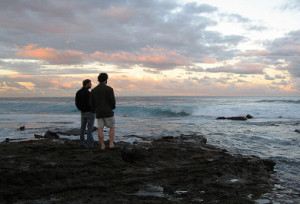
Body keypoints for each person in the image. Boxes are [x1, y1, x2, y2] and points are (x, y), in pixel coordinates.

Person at [90, 73, 116, 150]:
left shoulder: (93, 90)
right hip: (108, 111)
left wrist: (95, 109)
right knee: (112, 127)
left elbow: (91, 103)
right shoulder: (109, 89)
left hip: (99, 112)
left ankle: (102, 145)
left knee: (100, 128)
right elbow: (112, 101)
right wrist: (112, 107)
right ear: (106, 80)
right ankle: (111, 143)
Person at [75, 79, 95, 148]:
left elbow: (77, 103)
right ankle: (90, 144)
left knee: (82, 128)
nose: (91, 84)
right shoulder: (89, 93)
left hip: (83, 112)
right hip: (90, 112)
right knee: (90, 129)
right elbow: (92, 103)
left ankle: (81, 142)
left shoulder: (78, 92)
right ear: (86, 84)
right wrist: (93, 110)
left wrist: (81, 109)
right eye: (90, 83)